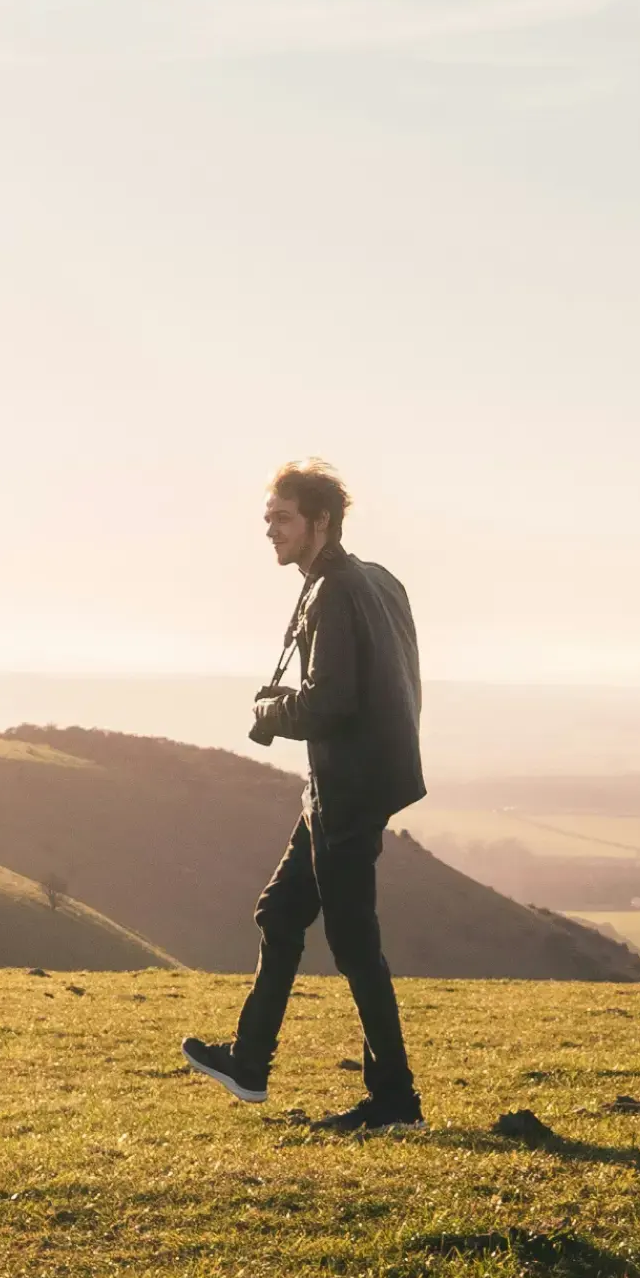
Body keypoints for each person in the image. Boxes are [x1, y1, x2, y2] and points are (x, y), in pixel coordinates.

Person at [182, 459, 426, 1131]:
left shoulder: (335, 593)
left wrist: (272, 712)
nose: (270, 532)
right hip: (354, 785)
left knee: (353, 945)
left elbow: (329, 705)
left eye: (282, 519)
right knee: (280, 914)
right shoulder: (377, 581)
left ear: (319, 522)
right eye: (268, 520)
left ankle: (395, 1101)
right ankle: (250, 1063)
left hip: (345, 790)